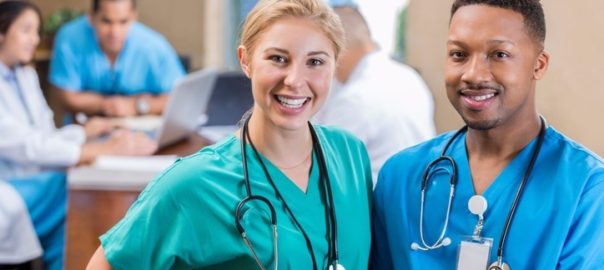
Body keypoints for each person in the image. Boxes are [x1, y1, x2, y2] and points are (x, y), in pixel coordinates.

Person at [87, 0, 372, 269]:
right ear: (245, 60)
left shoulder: (350, 155)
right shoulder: (193, 184)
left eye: (316, 62)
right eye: (278, 58)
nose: (295, 80)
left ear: (336, 64)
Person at [371, 0, 604, 269]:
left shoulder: (587, 188)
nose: (473, 74)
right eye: (459, 54)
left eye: (499, 54)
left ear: (538, 65)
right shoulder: (401, 176)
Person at [0, 1, 156, 268]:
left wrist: (83, 133)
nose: (35, 39)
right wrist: (99, 150)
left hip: (30, 177)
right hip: (10, 184)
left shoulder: (24, 75)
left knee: (73, 188)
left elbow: (43, 135)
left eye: (36, 31)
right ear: (1, 33)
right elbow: (24, 146)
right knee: (71, 191)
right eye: (26, 30)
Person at [314, 5, 435, 183]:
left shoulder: (354, 100)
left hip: (378, 204)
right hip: (421, 195)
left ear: (338, 52)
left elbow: (321, 171)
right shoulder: (409, 77)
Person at [49, 0, 185, 117]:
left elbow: (180, 97)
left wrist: (136, 106)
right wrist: (111, 105)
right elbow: (68, 97)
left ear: (134, 17)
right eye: (106, 21)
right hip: (84, 132)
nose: (115, 32)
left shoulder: (154, 46)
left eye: (123, 22)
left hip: (142, 130)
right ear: (91, 17)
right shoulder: (69, 39)